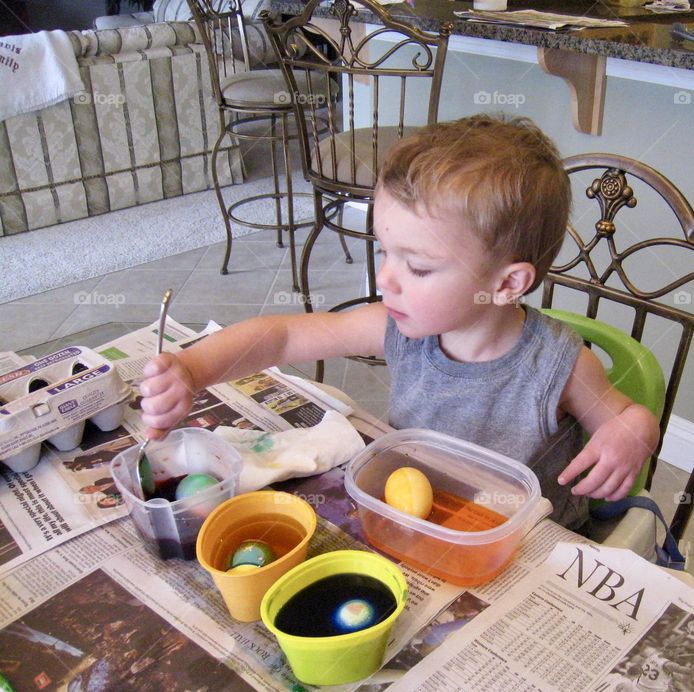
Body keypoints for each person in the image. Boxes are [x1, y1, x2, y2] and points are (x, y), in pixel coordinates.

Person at [138, 115, 660, 530]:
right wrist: (191, 368)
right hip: (416, 517)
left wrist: (633, 431)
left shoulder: (558, 367)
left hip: (518, 541)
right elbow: (284, 335)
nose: (385, 278)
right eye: (385, 251)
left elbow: (623, 419)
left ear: (506, 284)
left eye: (418, 266)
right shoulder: (402, 329)